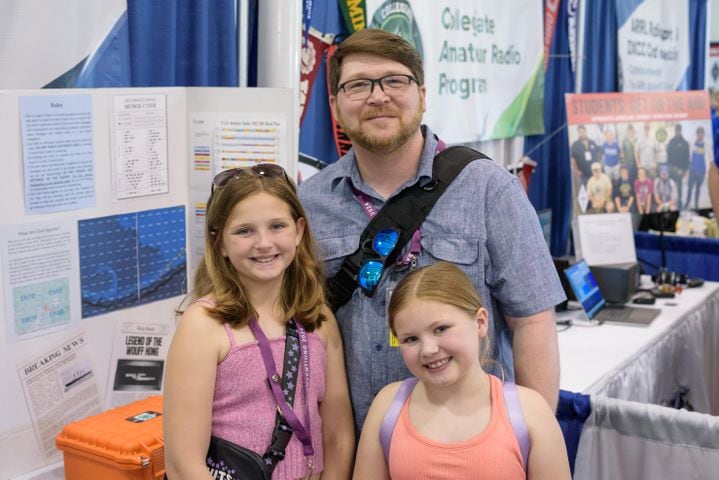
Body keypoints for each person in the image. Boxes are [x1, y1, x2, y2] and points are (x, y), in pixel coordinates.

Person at [298, 28, 564, 431]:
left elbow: (532, 323)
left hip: (471, 448)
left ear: (422, 95)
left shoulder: (489, 189)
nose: (378, 96)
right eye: (358, 85)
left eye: (394, 80)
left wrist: (529, 441)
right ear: (335, 105)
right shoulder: (309, 204)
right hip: (353, 449)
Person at [164, 164, 354, 479]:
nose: (264, 243)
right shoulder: (204, 325)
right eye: (244, 231)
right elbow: (184, 466)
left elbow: (338, 435)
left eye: (277, 226)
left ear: (299, 231)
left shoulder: (319, 319)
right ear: (219, 242)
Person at [353, 262, 571, 480]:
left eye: (441, 329)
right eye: (411, 339)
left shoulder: (530, 412)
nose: (428, 350)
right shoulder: (388, 407)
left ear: (480, 322)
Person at [666, 123, 690, 210]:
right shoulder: (671, 142)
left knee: (679, 188)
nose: (677, 132)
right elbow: (668, 155)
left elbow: (687, 157)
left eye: (679, 130)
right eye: (676, 130)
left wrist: (685, 170)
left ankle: (679, 204)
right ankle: (671, 204)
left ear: (681, 131)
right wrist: (669, 167)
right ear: (675, 131)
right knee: (671, 187)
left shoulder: (685, 143)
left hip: (680, 170)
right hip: (672, 169)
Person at [685, 126, 707, 211]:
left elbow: (708, 158)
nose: (700, 135)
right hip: (693, 171)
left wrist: (705, 171)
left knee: (698, 189)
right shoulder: (692, 143)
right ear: (697, 134)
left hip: (701, 171)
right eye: (699, 133)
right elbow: (689, 157)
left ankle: (696, 204)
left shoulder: (706, 145)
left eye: (702, 133)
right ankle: (686, 204)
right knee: (690, 189)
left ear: (703, 134)